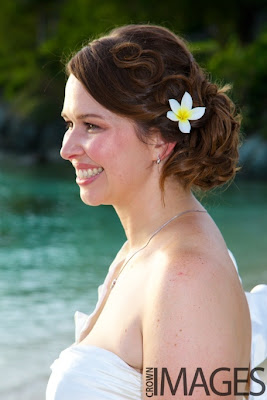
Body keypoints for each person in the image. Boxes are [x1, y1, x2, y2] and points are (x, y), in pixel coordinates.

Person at [46, 24, 267, 400]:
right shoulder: (143, 250)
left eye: (91, 126)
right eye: (69, 123)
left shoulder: (184, 275)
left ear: (160, 139)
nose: (67, 147)